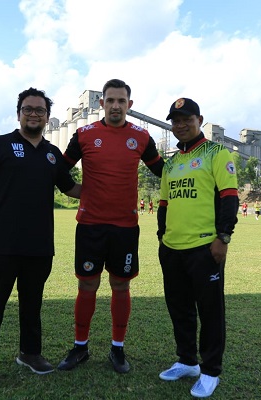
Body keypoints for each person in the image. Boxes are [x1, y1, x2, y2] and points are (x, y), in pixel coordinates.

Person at [0, 87, 81, 389]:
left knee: (32, 302)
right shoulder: (0, 145)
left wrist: (110, 187)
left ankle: (30, 353)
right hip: (3, 243)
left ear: (47, 116)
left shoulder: (51, 153)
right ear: (18, 113)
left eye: (40, 110)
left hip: (40, 244)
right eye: (28, 109)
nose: (34, 114)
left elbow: (71, 189)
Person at [57, 79, 164, 374]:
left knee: (120, 285)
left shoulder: (141, 137)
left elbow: (163, 172)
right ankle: (80, 347)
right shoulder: (84, 134)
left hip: (125, 228)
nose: (115, 105)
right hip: (90, 226)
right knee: (87, 284)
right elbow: (59, 168)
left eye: (121, 101)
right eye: (110, 100)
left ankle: (117, 349)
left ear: (129, 105)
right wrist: (76, 191)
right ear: (101, 103)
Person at [157, 97, 238, 398]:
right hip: (172, 248)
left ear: (199, 120)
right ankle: (187, 360)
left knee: (210, 311)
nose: (180, 125)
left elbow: (229, 198)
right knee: (179, 309)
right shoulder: (171, 162)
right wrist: (161, 238)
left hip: (205, 247)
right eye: (175, 121)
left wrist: (223, 237)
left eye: (186, 119)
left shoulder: (217, 153)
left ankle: (210, 370)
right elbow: (164, 204)